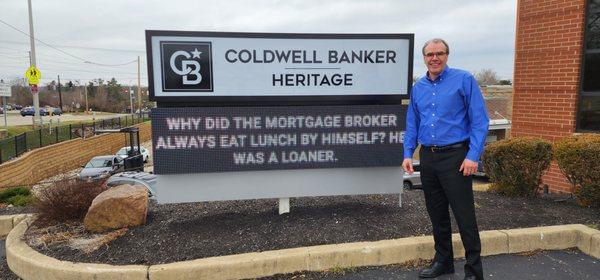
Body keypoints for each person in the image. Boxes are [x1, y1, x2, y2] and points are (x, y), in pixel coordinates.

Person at [402, 38, 489, 280]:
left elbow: (480, 121)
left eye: (439, 53)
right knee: (437, 214)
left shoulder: (463, 80)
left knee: (464, 216)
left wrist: (473, 156)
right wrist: (408, 152)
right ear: (424, 58)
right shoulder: (418, 87)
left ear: (447, 55)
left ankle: (473, 271)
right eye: (430, 54)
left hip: (456, 157)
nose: (434, 58)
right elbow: (412, 124)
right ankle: (443, 261)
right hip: (428, 157)